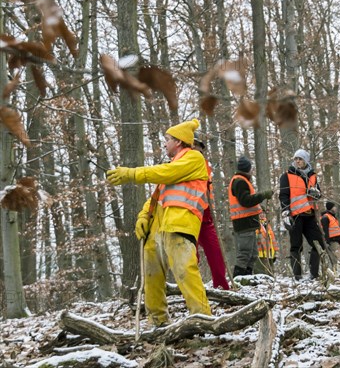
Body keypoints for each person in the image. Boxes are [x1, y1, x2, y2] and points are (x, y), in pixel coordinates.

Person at [107, 118, 211, 327]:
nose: (164, 144)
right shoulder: (174, 165)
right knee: (151, 275)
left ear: (179, 142)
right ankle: (157, 321)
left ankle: (203, 319)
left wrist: (131, 173)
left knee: (185, 272)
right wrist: (144, 216)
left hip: (180, 225)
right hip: (159, 227)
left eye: (167, 139)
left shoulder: (193, 158)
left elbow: (165, 174)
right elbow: (156, 196)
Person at [279, 149, 325, 280]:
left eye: (301, 159)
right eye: (296, 159)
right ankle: (297, 276)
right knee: (295, 245)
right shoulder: (287, 176)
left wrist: (316, 193)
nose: (298, 161)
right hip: (295, 216)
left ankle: (314, 274)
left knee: (319, 243)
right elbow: (283, 195)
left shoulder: (313, 176)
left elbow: (318, 194)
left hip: (309, 216)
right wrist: (285, 212)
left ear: (306, 161)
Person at [193, 133, 229, 290]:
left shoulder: (204, 164)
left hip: (205, 217)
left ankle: (221, 287)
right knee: (190, 257)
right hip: (186, 216)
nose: (195, 148)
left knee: (216, 252)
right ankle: (192, 291)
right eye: (192, 145)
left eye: (198, 146)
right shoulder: (177, 164)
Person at [228, 156, 273, 277]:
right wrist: (263, 195)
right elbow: (245, 201)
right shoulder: (240, 181)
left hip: (248, 223)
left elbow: (246, 201)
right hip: (244, 223)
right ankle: (238, 280)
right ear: (248, 169)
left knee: (252, 254)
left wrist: (259, 207)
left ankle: (247, 279)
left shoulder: (241, 180)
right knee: (244, 254)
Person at [255, 211, 278, 276]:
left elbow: (272, 238)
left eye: (263, 213)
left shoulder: (267, 224)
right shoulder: (255, 224)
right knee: (260, 273)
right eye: (260, 213)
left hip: (270, 252)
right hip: (260, 253)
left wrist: (275, 251)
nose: (262, 215)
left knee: (270, 273)